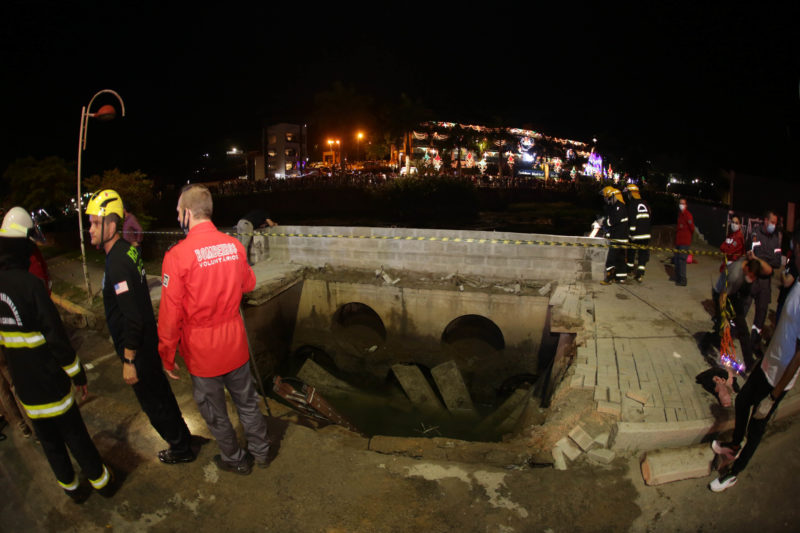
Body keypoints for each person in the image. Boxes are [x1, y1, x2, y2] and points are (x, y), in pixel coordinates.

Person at [158, 184, 270, 475]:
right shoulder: (233, 245)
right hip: (235, 344)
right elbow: (249, 284)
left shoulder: (178, 255)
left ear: (186, 213)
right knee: (247, 403)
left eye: (178, 212)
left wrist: (167, 354)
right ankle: (262, 452)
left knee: (215, 412)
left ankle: (235, 459)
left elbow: (170, 313)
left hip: (203, 352)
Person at [0, 225, 112, 502]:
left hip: (25, 389)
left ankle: (72, 489)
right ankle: (102, 483)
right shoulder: (31, 286)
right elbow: (57, 339)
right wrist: (78, 375)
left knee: (50, 444)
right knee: (75, 435)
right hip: (51, 385)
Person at [86, 189, 195, 465]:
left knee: (153, 403)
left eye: (95, 223)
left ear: (111, 224)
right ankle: (184, 438)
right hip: (147, 340)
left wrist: (128, 358)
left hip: (138, 347)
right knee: (162, 395)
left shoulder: (119, 262)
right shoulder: (126, 252)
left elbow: (131, 315)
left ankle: (180, 448)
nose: (90, 229)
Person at [709, 279, 800, 492]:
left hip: (779, 379)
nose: (793, 254)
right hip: (766, 364)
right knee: (742, 401)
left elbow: (798, 357)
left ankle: (733, 473)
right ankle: (733, 445)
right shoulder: (796, 283)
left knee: (757, 427)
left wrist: (773, 397)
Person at [703, 258, 762, 370]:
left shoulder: (747, 264)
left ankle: (749, 363)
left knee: (743, 329)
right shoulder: (735, 274)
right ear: (747, 268)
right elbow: (722, 296)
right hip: (721, 295)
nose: (752, 279)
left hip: (734, 295)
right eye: (751, 275)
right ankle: (708, 339)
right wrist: (724, 317)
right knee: (723, 328)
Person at [743, 211, 782, 351]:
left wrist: (761, 259)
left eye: (775, 223)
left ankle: (754, 343)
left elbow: (777, 262)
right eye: (772, 222)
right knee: (743, 307)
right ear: (765, 220)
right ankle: (733, 334)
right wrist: (765, 261)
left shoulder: (775, 238)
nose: (774, 225)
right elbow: (749, 254)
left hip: (765, 282)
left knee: (761, 313)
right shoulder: (755, 233)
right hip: (753, 277)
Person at [623, 184, 651, 283]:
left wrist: (631, 234)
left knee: (631, 252)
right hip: (646, 234)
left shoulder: (632, 205)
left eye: (628, 193)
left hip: (636, 235)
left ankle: (629, 270)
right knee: (643, 254)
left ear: (631, 193)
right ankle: (640, 274)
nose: (628, 196)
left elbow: (632, 222)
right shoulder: (645, 203)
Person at [600, 186, 629, 284]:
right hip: (621, 237)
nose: (607, 200)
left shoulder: (619, 206)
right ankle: (621, 277)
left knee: (611, 259)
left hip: (618, 237)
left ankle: (609, 278)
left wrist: (603, 222)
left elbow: (612, 221)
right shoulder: (616, 206)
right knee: (620, 258)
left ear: (613, 196)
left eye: (608, 198)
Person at [776, 223, 800, 323]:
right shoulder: (792, 257)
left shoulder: (795, 263)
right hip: (784, 300)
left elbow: (787, 282)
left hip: (786, 302)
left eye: (794, 241)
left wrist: (782, 273)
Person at [672, 198, 694, 286]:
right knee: (677, 259)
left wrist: (687, 236)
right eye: (680, 203)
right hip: (679, 240)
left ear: (686, 205)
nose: (681, 205)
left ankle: (683, 279)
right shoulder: (680, 214)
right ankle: (678, 277)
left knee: (682, 260)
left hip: (684, 241)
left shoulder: (688, 215)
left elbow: (692, 228)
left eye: (683, 203)